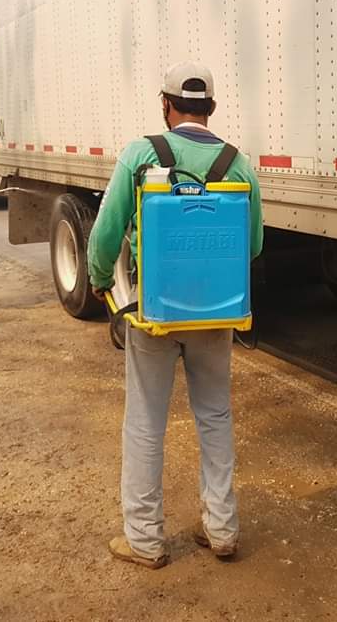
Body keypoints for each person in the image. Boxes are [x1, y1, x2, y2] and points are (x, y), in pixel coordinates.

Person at [87, 61, 264, 569]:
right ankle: (223, 530)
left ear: (166, 105)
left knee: (145, 421)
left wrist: (102, 280)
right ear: (211, 108)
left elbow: (105, 234)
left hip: (156, 312)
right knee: (215, 416)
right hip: (217, 314)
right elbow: (251, 246)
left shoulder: (141, 154)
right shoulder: (239, 164)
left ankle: (144, 541)